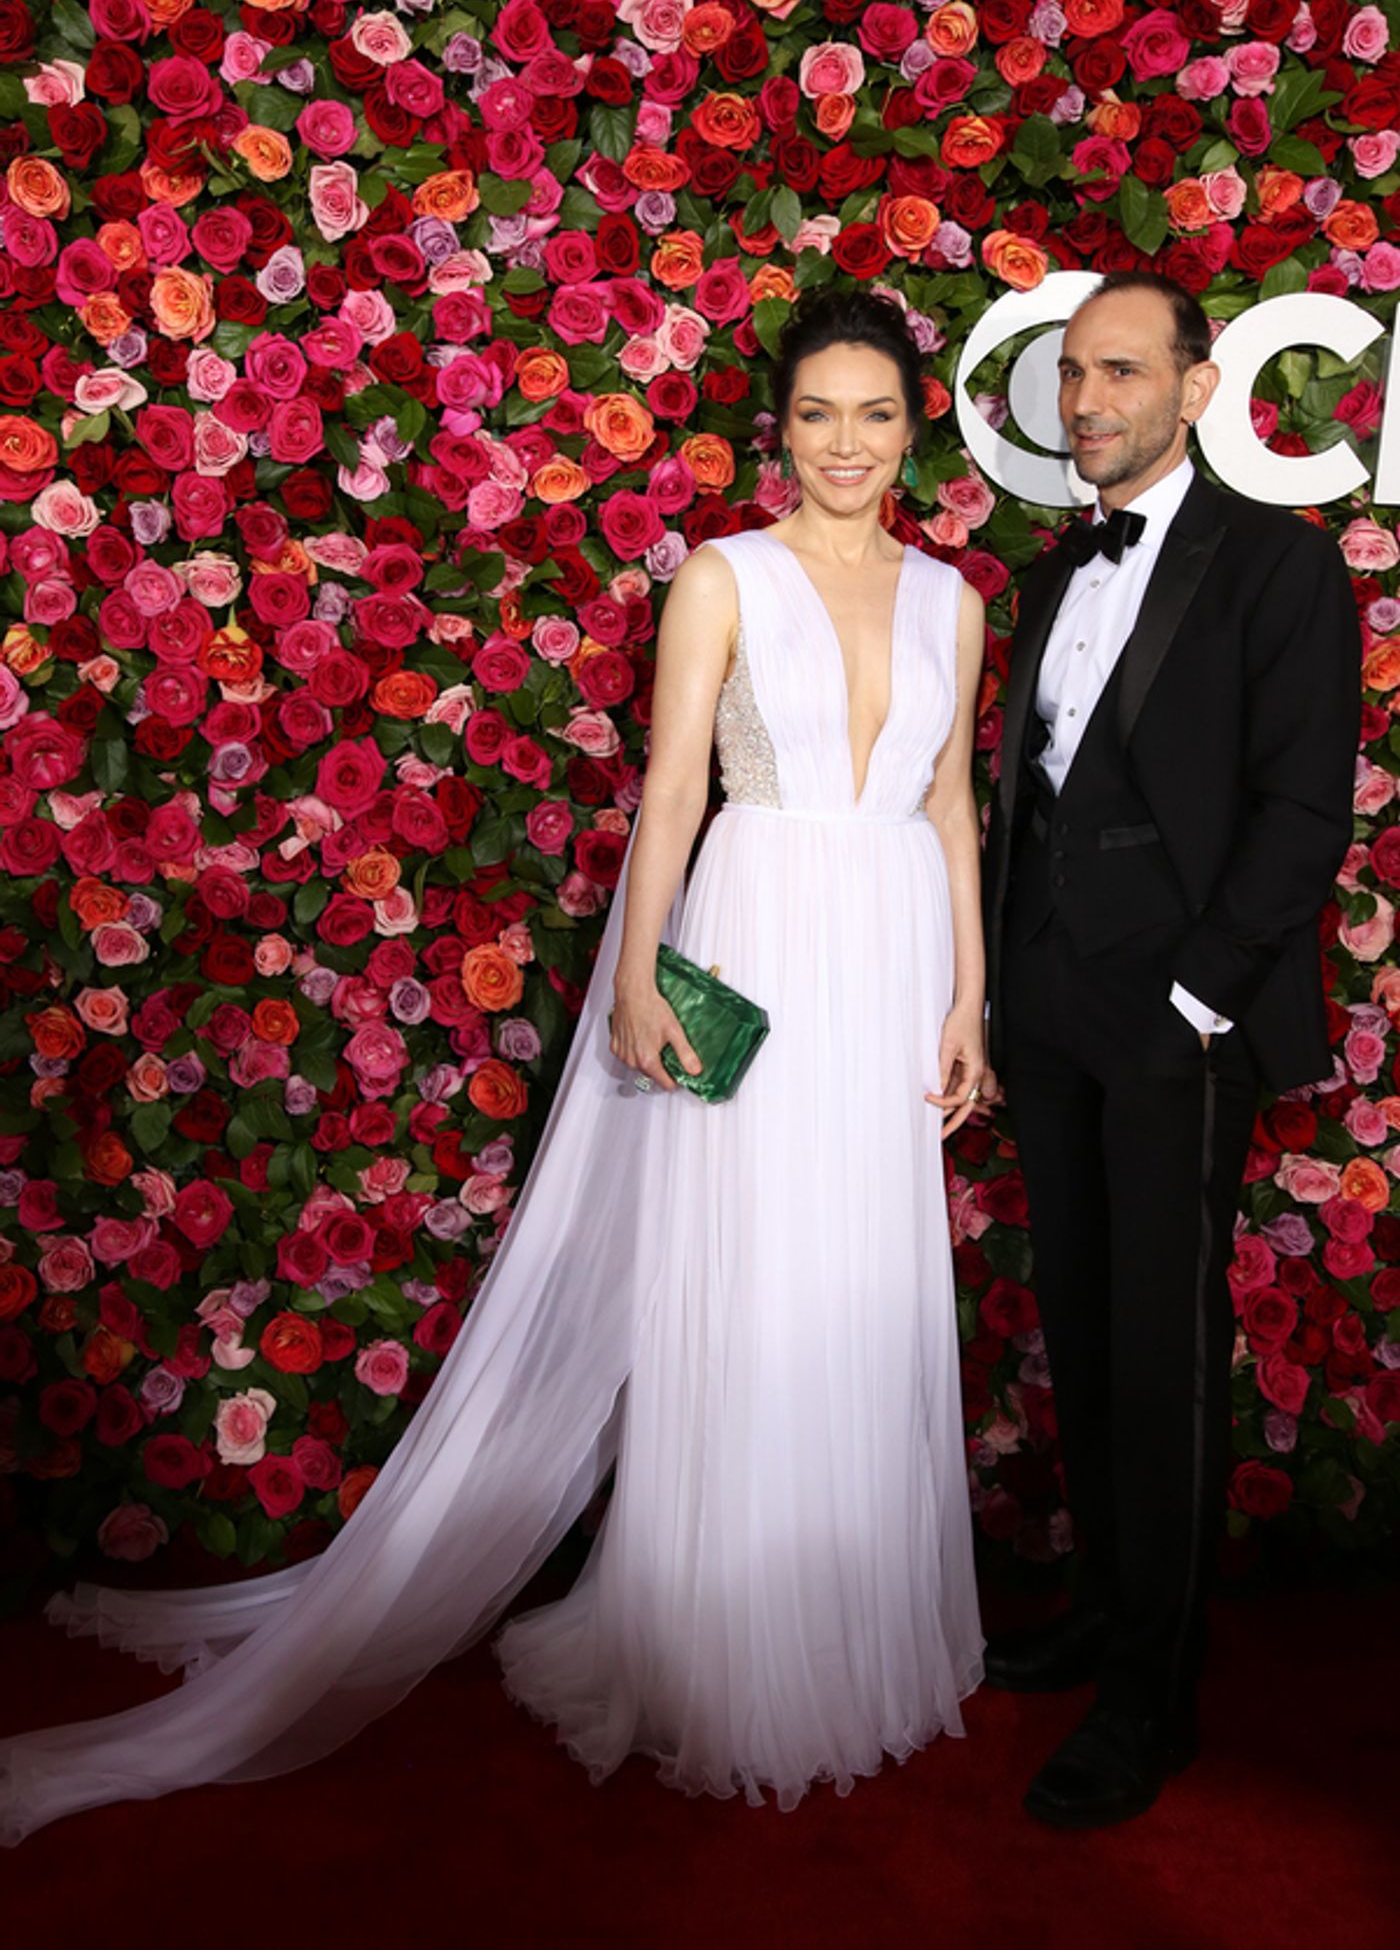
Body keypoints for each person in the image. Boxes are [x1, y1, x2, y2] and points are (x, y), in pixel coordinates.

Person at [0, 288, 986, 1842]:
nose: (846, 445)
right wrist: (648, 976)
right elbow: (669, 795)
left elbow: (946, 811)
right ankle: (718, 1646)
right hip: (758, 940)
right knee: (749, 1276)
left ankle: (846, 1616)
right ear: (777, 428)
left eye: (873, 414)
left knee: (858, 1280)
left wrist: (968, 1004)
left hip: (892, 963)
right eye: (817, 414)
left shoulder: (954, 600)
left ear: (912, 429)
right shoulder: (724, 578)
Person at [982, 272, 1360, 1829]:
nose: (1086, 404)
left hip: (1177, 1027)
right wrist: (1001, 992)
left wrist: (1196, 1001)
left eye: (1121, 374)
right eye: (1073, 377)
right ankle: (1110, 1606)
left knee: (1160, 1348)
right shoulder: (1051, 571)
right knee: (1079, 1317)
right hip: (1050, 1011)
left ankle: (1158, 1696)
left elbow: (1301, 814)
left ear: (1198, 391)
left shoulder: (1280, 566)